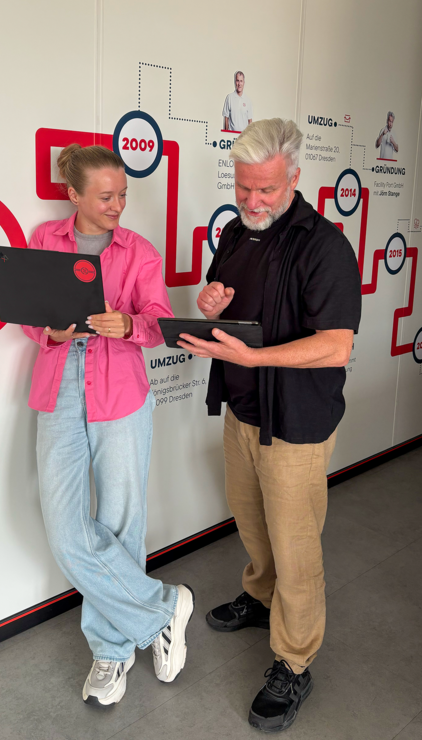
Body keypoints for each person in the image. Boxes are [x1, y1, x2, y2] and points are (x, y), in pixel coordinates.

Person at [178, 119, 362, 733]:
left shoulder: (324, 246)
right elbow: (222, 296)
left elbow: (336, 345)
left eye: (267, 189)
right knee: (252, 522)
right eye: (244, 187)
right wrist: (210, 301)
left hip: (296, 425)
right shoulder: (236, 231)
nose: (253, 201)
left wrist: (256, 359)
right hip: (242, 411)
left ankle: (295, 660)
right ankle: (260, 598)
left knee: (295, 546)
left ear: (295, 178)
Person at [22, 143, 195, 708]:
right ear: (73, 195)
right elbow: (28, 314)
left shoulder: (138, 250)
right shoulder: (44, 240)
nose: (118, 205)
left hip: (120, 389)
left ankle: (112, 650)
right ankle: (162, 610)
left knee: (122, 523)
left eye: (123, 194)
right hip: (58, 389)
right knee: (65, 530)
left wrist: (129, 324)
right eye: (105, 196)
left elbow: (161, 323)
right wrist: (49, 332)